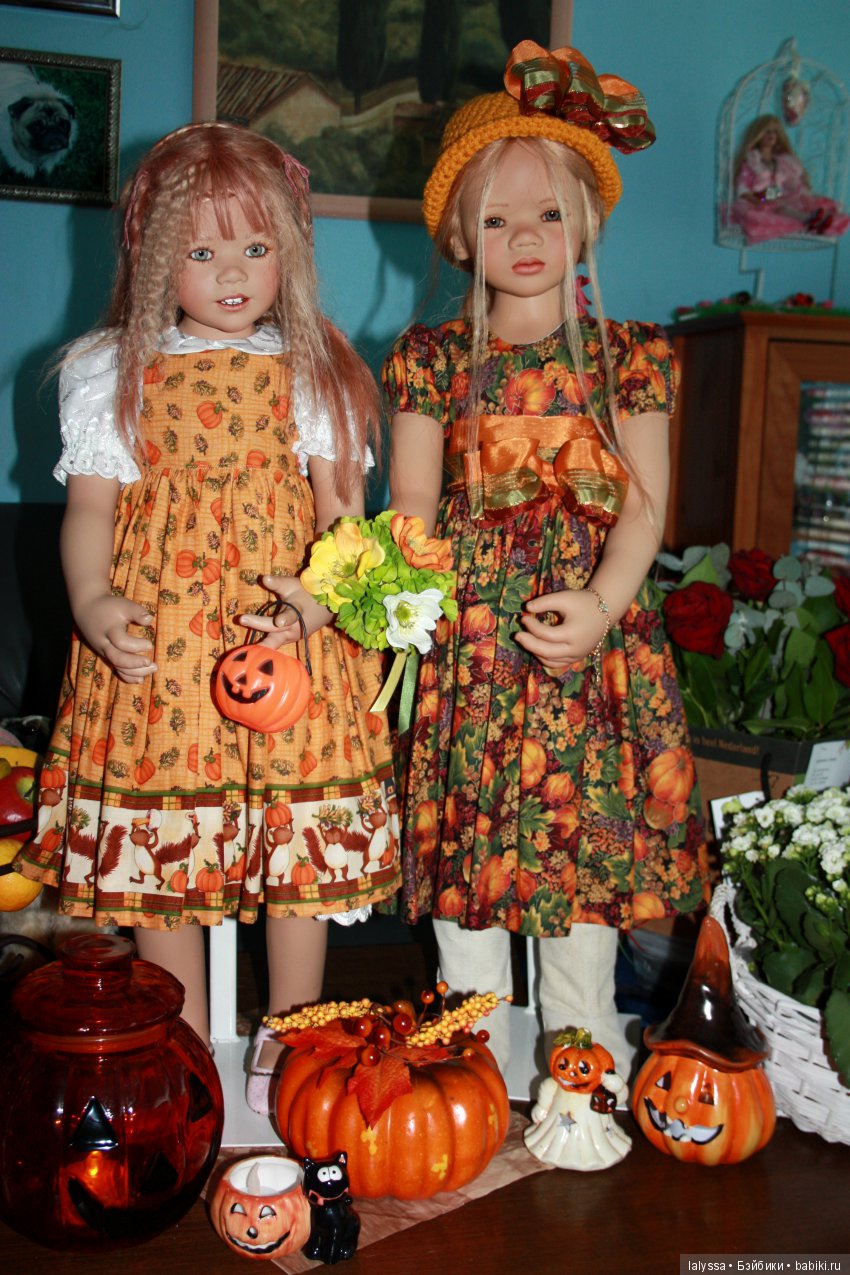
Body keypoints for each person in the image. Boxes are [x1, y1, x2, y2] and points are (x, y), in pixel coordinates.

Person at [17, 122, 400, 1114]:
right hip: (162, 648)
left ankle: (296, 1029)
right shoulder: (113, 369)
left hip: (281, 641)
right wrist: (91, 598)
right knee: (164, 847)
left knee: (295, 842)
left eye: (255, 247)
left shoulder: (316, 370)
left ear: (290, 253)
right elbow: (90, 511)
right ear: (154, 260)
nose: (232, 273)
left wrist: (318, 598)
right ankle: (180, 1040)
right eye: (200, 251)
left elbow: (343, 519)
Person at [383, 41, 708, 1081]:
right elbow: (414, 507)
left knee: (584, 848)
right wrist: (398, 597)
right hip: (476, 644)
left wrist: (604, 605)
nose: (524, 238)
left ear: (587, 223)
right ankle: (468, 1063)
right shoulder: (432, 361)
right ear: (456, 236)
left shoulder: (631, 357)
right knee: (471, 850)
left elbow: (643, 506)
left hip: (592, 645)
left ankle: (581, 1059)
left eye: (548, 214)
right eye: (495, 220)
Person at [729, 113, 850, 245]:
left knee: (800, 200)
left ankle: (820, 219)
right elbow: (743, 188)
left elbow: (789, 184)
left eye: (775, 132)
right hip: (760, 196)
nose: (771, 135)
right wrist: (757, 200)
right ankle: (809, 219)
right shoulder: (752, 161)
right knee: (779, 206)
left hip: (777, 193)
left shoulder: (783, 161)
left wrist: (797, 186)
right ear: (758, 134)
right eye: (767, 131)